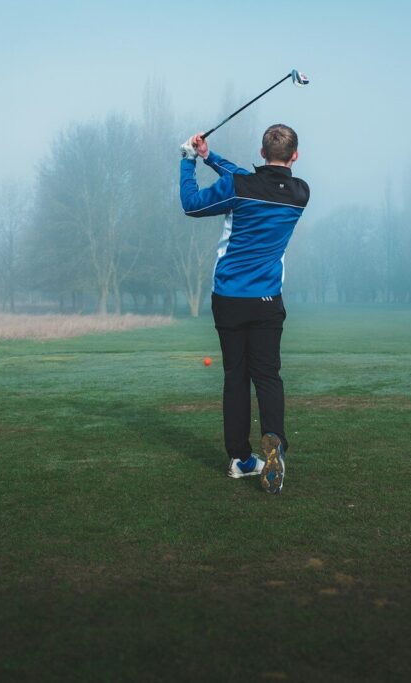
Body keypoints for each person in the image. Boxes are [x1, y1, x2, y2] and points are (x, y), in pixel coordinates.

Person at [178, 124, 309, 494]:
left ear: (262, 151)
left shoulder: (240, 188)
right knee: (268, 376)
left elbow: (192, 204)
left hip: (230, 300)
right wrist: (210, 157)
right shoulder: (300, 194)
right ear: (294, 156)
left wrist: (188, 161)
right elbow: (251, 180)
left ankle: (240, 459)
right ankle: (275, 443)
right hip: (268, 301)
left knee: (236, 377)